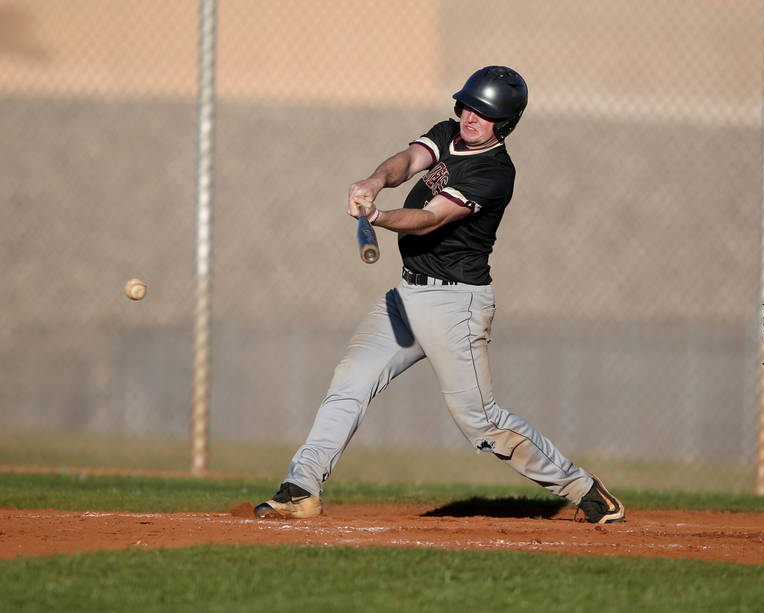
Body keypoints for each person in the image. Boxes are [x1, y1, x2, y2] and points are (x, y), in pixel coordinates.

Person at [253, 66, 624, 525]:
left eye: (484, 113)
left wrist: (380, 216)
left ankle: (583, 488)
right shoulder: (449, 133)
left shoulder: (495, 173)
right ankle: (301, 487)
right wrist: (373, 183)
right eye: (467, 105)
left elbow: (429, 219)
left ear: (505, 124)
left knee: (482, 423)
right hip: (408, 295)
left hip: (457, 305)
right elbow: (407, 162)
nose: (470, 117)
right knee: (350, 381)